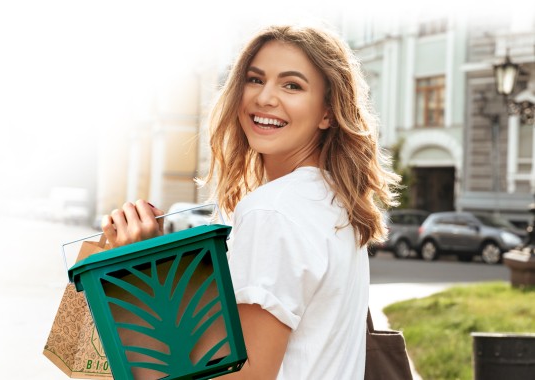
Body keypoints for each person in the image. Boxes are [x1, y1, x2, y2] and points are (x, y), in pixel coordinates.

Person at [102, 23, 399, 379]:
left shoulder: (273, 211)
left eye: (292, 85)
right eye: (255, 79)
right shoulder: (332, 201)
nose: (265, 98)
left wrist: (135, 271)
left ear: (328, 112)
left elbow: (244, 374)